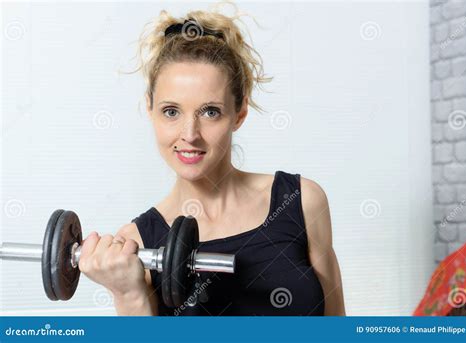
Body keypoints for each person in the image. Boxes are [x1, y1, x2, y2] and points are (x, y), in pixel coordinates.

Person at [78, 2, 346, 316]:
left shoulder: (301, 201)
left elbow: (337, 324)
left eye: (210, 112)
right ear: (150, 109)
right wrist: (128, 294)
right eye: (171, 111)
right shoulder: (136, 244)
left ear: (240, 112)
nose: (189, 134)